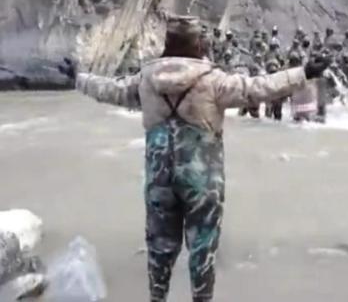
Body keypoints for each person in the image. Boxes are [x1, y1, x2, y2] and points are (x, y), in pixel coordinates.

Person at [63, 15, 330, 302]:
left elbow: (111, 90)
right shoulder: (213, 80)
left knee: (159, 248)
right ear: (198, 43)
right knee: (202, 248)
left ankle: (157, 297)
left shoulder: (146, 79)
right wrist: (304, 73)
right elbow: (258, 88)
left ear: (167, 43)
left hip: (159, 180)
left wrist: (78, 78)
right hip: (203, 183)